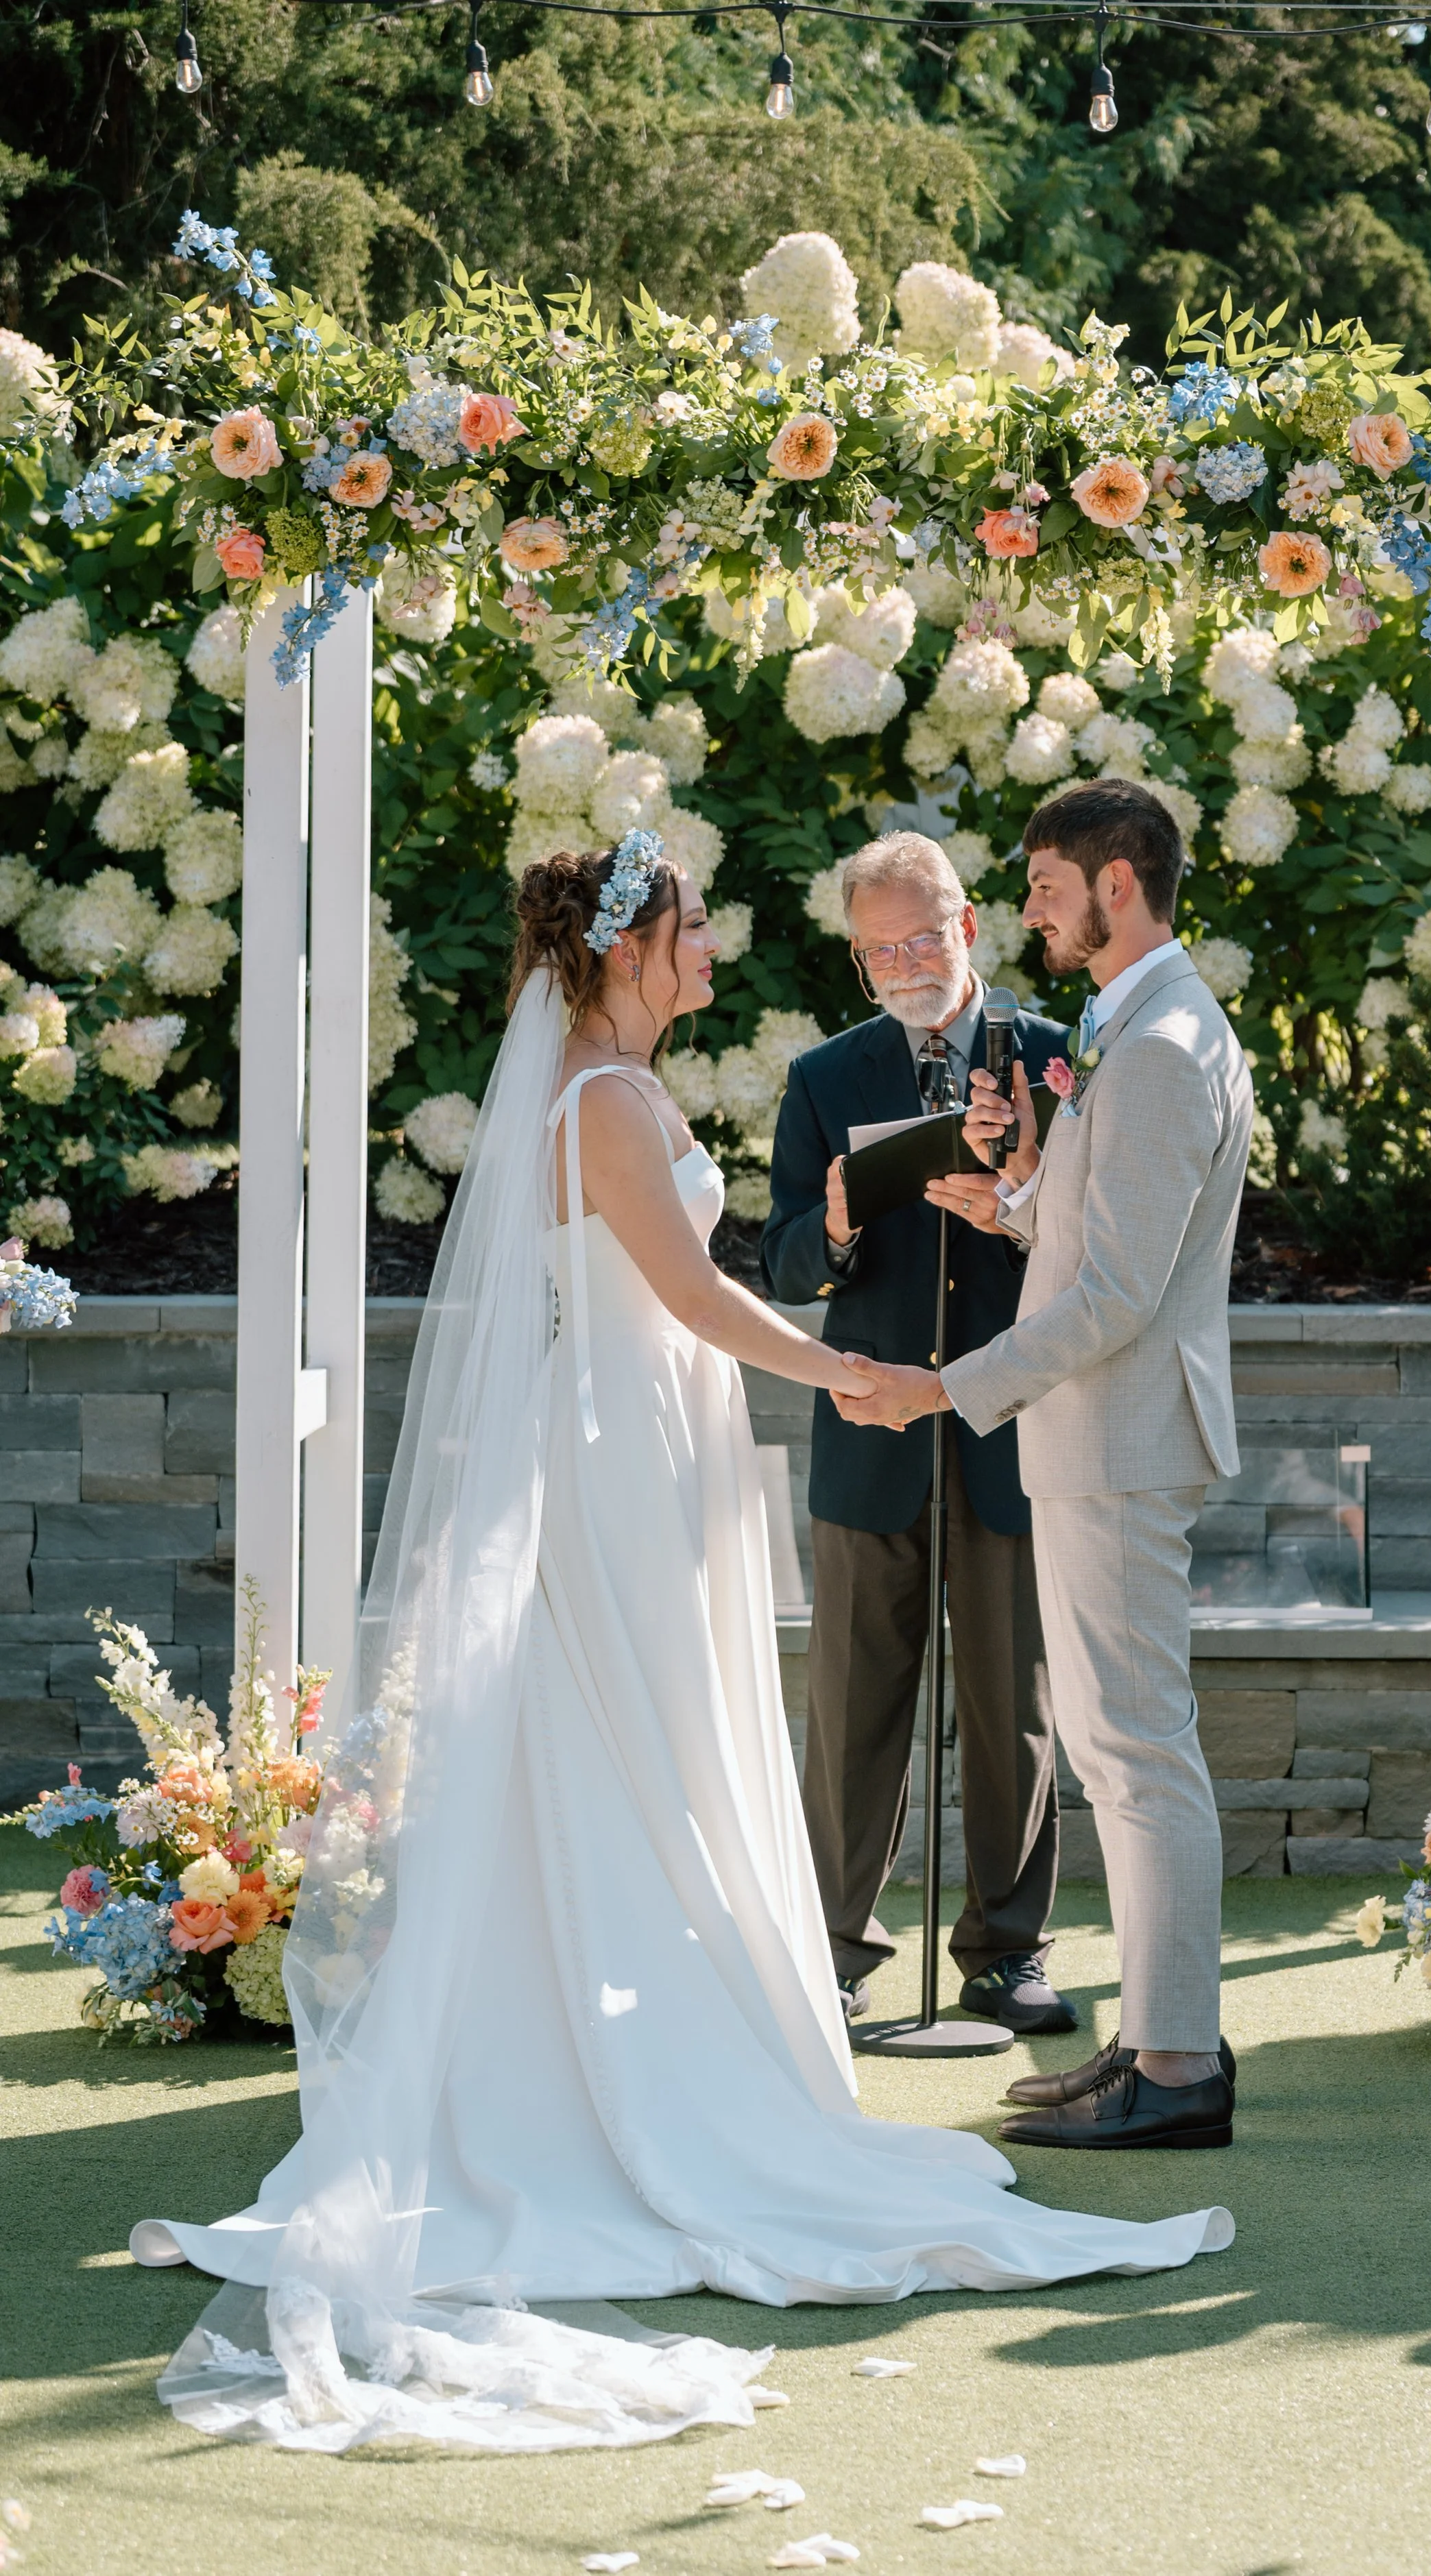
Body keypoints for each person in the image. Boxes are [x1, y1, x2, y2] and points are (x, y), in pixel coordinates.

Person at [129, 828, 1233, 2457]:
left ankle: (674, 2007)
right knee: (627, 1737)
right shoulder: (607, 1101)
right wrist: (849, 1373)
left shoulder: (619, 1088)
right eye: (696, 930)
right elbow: (705, 1295)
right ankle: (596, 2062)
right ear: (630, 948)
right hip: (624, 1448)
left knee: (663, 1737)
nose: (715, 951)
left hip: (658, 1435)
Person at [834, 780, 1253, 2154]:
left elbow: (1118, 1297)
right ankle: (1149, 2036)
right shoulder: (1130, 1026)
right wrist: (1008, 1200)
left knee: (1137, 1752)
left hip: (1118, 1439)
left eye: (1046, 887)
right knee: (1118, 1751)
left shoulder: (1157, 1043)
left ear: (1116, 884)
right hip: (1098, 1437)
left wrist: (941, 1389)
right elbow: (1095, 1243)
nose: (1029, 910)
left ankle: (1177, 2064)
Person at [762, 832, 1076, 2037]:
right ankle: (833, 1951)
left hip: (1010, 1432)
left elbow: (1096, 1251)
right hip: (867, 1430)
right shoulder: (826, 1077)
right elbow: (780, 1259)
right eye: (876, 947)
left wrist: (1012, 1217)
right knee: (851, 1708)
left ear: (970, 930)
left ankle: (1009, 1951)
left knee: (1017, 1706)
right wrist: (835, 1222)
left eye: (920, 937)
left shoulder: (1056, 1060)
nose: (902, 962)